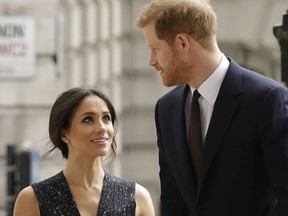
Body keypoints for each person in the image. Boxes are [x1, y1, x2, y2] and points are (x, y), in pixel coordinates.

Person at [136, 0, 288, 215]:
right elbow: (173, 200)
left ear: (182, 43)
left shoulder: (266, 99)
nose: (151, 61)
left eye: (155, 49)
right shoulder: (166, 108)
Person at [13, 87, 155, 216]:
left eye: (106, 118)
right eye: (88, 119)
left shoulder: (137, 197)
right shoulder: (32, 199)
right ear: (64, 133)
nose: (102, 128)